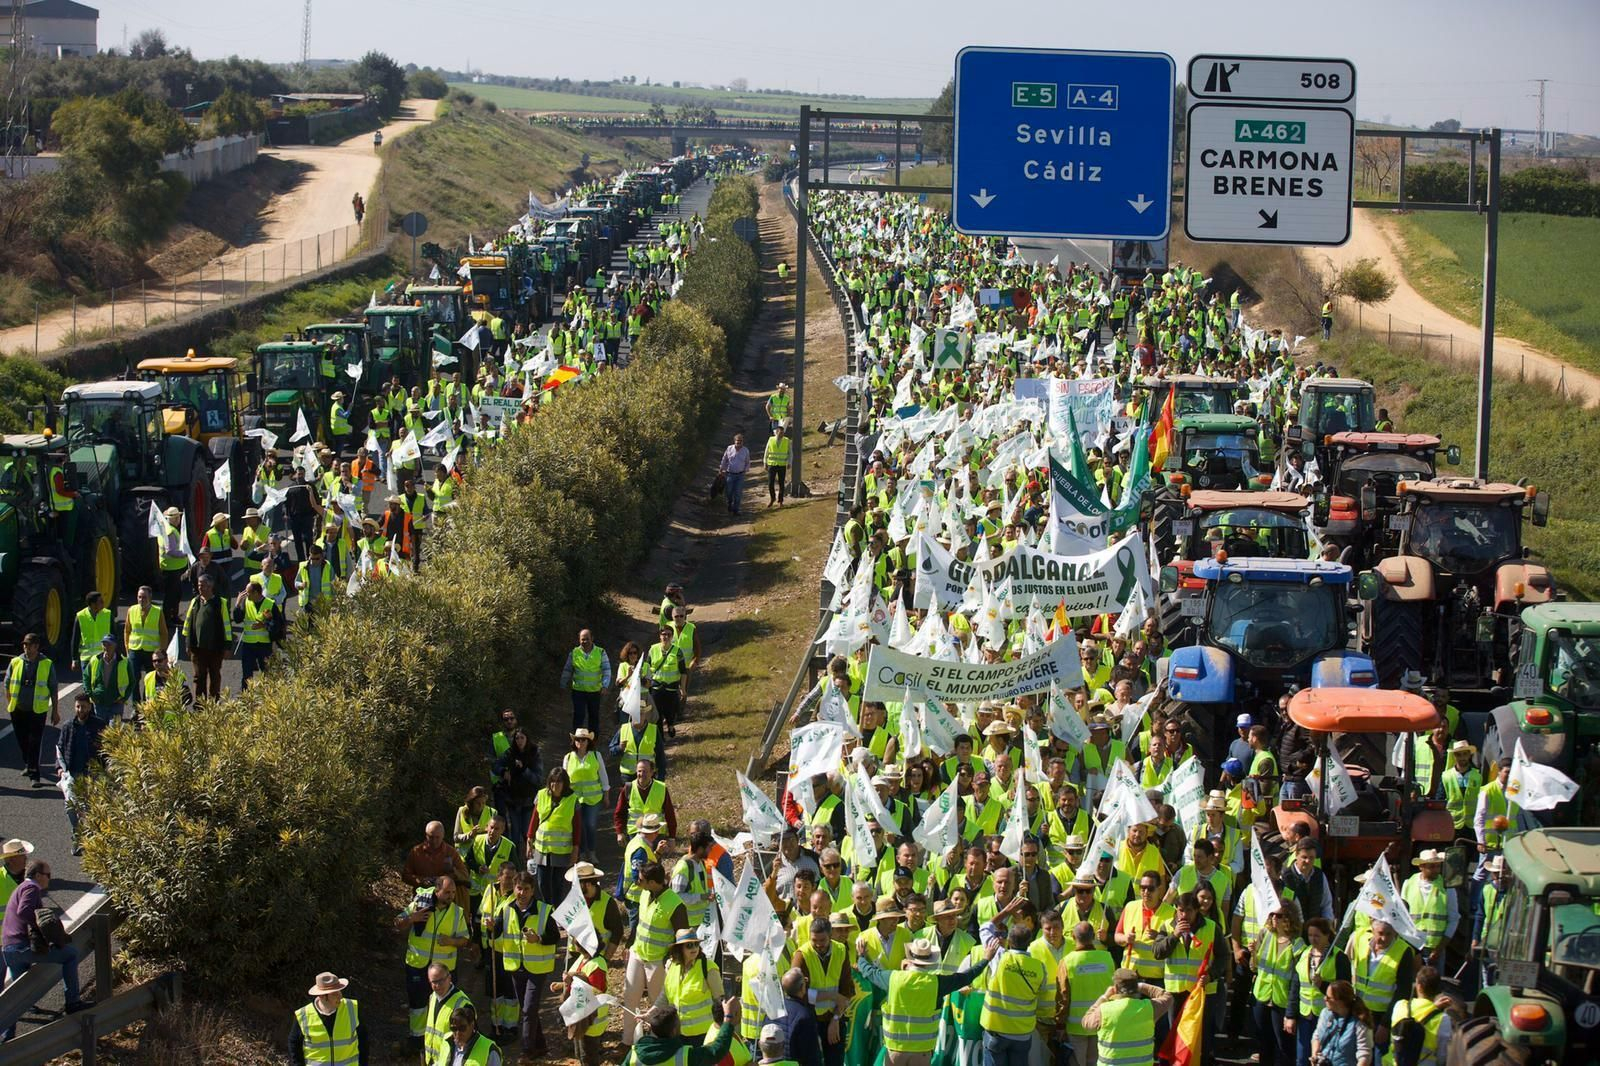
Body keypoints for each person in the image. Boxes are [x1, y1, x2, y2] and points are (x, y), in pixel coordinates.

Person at [853, 934, 996, 1066]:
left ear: (910, 958)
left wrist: (861, 957)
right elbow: (966, 977)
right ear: (929, 961)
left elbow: (869, 972)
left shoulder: (893, 978)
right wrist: (986, 959)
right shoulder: (936, 983)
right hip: (922, 1052)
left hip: (895, 1050)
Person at [1, 860, 92, 1037]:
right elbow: (24, 911)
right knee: (70, 955)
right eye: (47, 875)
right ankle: (73, 1002)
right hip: (21, 947)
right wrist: (41, 927)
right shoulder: (31, 888)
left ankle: (7, 1038)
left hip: (10, 949)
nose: (49, 879)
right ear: (37, 875)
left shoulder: (21, 888)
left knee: (17, 998)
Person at [1079, 967, 1172, 1066]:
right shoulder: (1149, 1007)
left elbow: (1086, 1022)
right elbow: (1168, 997)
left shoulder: (1104, 1010)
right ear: (1136, 987)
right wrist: (1142, 986)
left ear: (1115, 988)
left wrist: (1104, 997)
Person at [6, 632, 58, 786]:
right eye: (25, 645)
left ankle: (34, 774)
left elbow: (53, 688)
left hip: (37, 710)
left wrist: (55, 711)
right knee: (22, 740)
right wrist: (11, 704)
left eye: (29, 645)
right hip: (18, 709)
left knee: (34, 741)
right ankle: (28, 764)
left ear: (36, 647)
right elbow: (7, 684)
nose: (26, 648)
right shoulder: (15, 662)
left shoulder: (47, 664)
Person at [55, 691, 104, 848]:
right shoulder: (68, 726)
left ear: (90, 707)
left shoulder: (99, 725)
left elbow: (106, 749)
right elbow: (60, 747)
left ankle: (91, 838)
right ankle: (78, 833)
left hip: (92, 774)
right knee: (70, 806)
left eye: (83, 707)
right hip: (72, 773)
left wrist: (104, 769)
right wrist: (59, 767)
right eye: (77, 706)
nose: (80, 710)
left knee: (89, 808)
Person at [290, 970, 369, 1066]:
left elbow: (363, 1040)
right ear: (322, 996)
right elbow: (294, 1045)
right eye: (334, 993)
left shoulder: (352, 1008)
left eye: (339, 991)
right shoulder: (303, 1015)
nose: (340, 996)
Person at [630, 998, 741, 1066]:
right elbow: (716, 1051)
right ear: (674, 1031)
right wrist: (728, 1019)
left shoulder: (634, 1055)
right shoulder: (684, 1056)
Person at [527, 767, 579, 901]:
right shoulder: (541, 795)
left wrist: (575, 849)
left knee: (558, 884)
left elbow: (577, 827)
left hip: (561, 850)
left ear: (565, 783)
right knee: (542, 882)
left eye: (559, 781)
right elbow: (535, 819)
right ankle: (547, 907)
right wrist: (529, 839)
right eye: (552, 781)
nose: (555, 785)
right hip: (542, 847)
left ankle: (557, 908)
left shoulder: (573, 799)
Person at [183, 573, 233, 699]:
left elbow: (227, 626)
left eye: (203, 585)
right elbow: (188, 624)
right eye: (199, 585)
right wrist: (188, 644)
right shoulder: (195, 602)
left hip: (215, 648)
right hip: (197, 649)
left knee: (214, 675)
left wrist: (227, 646)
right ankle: (200, 703)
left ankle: (213, 702)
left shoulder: (220, 603)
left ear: (211, 587)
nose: (200, 588)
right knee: (199, 676)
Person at [560, 629, 612, 735]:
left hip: (595, 691)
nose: (585, 641)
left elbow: (606, 670)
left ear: (592, 638)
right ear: (579, 640)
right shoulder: (574, 652)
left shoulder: (601, 652)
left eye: (587, 639)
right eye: (582, 639)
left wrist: (605, 685)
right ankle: (576, 739)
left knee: (594, 716)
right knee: (578, 715)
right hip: (578, 691)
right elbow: (568, 669)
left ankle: (593, 740)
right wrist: (563, 683)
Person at [1311, 980, 1374, 1066]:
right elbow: (1317, 1036)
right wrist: (1314, 1055)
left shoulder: (1359, 1023)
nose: (1324, 999)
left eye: (1329, 997)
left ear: (1340, 1002)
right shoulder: (1325, 1013)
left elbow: (1364, 1054)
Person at [642, 625, 688, 737]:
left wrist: (682, 689)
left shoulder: (677, 651)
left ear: (672, 637)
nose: (666, 637)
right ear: (660, 636)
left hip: (671, 688)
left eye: (668, 635)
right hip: (656, 687)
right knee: (657, 713)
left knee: (670, 711)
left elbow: (683, 671)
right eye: (663, 634)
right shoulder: (653, 649)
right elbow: (646, 668)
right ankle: (660, 738)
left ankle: (670, 724)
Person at [232, 579, 275, 686]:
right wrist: (237, 604)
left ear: (256, 593)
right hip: (248, 644)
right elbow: (237, 619)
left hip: (264, 645)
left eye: (248, 593)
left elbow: (277, 625)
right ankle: (247, 695)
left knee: (267, 673)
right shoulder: (246, 602)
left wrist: (264, 625)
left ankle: (268, 694)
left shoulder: (269, 604)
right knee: (247, 675)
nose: (246, 595)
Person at [82, 633, 132, 725]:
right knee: (100, 730)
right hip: (99, 703)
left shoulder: (124, 662)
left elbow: (132, 682)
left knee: (114, 730)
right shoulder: (95, 660)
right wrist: (90, 694)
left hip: (116, 703)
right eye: (104, 644)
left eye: (109, 644)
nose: (106, 647)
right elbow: (86, 677)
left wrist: (124, 698)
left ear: (115, 646)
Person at [70, 590, 113, 675]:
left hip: (104, 656)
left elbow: (114, 636)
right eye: (101, 601)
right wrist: (74, 659)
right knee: (87, 682)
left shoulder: (108, 614)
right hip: (87, 658)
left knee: (101, 682)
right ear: (93, 604)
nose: (103, 603)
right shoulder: (80, 616)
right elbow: (75, 639)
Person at [719, 432, 750, 514]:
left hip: (740, 475)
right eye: (737, 441)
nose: (739, 442)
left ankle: (736, 509)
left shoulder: (745, 450)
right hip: (730, 474)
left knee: (738, 493)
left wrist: (745, 470)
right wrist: (721, 469)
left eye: (741, 441)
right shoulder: (729, 448)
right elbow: (724, 459)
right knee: (729, 492)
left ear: (743, 442)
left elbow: (747, 462)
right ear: (734, 441)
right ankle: (729, 503)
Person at [765, 424, 791, 507]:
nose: (782, 434)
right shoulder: (771, 439)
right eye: (780, 433)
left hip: (782, 465)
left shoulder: (786, 440)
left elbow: (790, 452)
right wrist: (765, 462)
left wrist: (789, 462)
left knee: (781, 483)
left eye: (783, 433)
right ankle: (772, 498)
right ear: (776, 432)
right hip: (772, 464)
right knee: (770, 483)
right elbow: (766, 451)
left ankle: (780, 500)